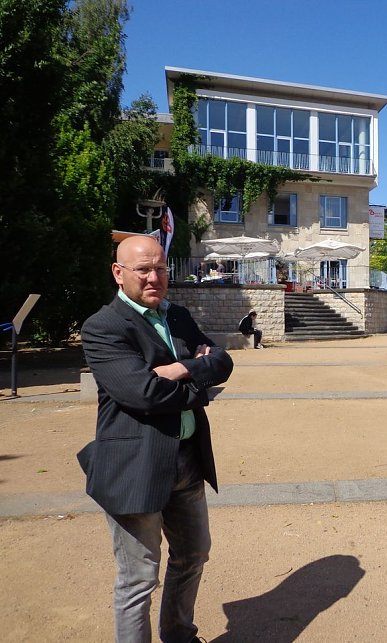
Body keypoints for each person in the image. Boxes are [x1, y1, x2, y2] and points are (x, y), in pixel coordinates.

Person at [77, 235, 234, 643]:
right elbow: (142, 394)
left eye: (160, 268)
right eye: (143, 269)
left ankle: (179, 635)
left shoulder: (177, 316)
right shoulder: (103, 326)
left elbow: (222, 361)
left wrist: (179, 370)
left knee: (194, 555)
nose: (154, 277)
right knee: (138, 579)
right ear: (118, 273)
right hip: (137, 467)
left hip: (187, 461)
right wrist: (198, 379)